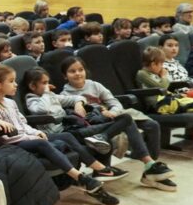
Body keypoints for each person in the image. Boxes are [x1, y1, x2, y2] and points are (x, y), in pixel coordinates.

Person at [0, 65, 121, 205]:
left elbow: (22, 123)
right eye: (11, 81)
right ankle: (82, 178)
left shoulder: (10, 102)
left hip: (27, 138)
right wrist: (32, 137)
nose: (15, 84)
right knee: (41, 143)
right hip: (13, 144)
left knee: (66, 136)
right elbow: (4, 138)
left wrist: (35, 132)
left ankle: (100, 169)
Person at [59, 57, 177, 191]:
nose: (78, 74)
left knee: (152, 125)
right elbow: (78, 119)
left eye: (80, 69)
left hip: (112, 116)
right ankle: (150, 165)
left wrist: (113, 112)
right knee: (126, 121)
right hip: (97, 123)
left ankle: (152, 168)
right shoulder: (65, 95)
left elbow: (114, 102)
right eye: (72, 71)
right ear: (65, 76)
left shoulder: (95, 85)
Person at [23, 67, 133, 177]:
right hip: (63, 133)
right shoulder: (32, 100)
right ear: (33, 86)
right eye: (44, 83)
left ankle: (102, 139)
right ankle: (102, 168)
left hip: (73, 128)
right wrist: (46, 94)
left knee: (125, 118)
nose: (47, 85)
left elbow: (77, 97)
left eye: (48, 82)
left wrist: (78, 104)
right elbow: (42, 110)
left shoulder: (52, 96)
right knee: (121, 123)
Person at [136, 47, 193, 114]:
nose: (162, 67)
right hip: (159, 104)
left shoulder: (154, 73)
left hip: (168, 100)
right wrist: (164, 76)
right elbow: (162, 87)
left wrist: (178, 95)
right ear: (153, 65)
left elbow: (166, 88)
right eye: (161, 64)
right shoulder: (142, 74)